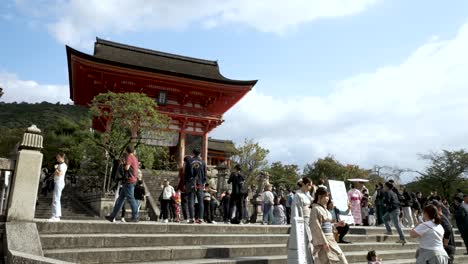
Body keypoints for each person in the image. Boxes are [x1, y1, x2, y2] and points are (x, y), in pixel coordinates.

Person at [311, 187, 348, 264]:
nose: (327, 198)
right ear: (319, 196)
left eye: (328, 196)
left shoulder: (325, 209)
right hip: (324, 239)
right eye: (325, 196)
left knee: (339, 257)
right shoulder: (315, 209)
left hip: (331, 238)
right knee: (327, 260)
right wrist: (324, 242)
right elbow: (316, 227)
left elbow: (328, 224)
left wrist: (337, 224)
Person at [105, 145, 140, 223]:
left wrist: (122, 165)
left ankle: (136, 216)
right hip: (131, 180)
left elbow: (127, 167)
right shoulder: (135, 158)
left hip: (129, 180)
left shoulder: (129, 157)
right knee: (120, 199)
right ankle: (112, 216)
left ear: (127, 151)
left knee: (131, 199)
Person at [287, 177, 314, 264]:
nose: (310, 187)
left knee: (310, 239)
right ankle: (308, 260)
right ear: (304, 184)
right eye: (309, 185)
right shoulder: (298, 194)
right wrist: (297, 222)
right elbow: (295, 209)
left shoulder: (308, 194)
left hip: (310, 218)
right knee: (307, 239)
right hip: (303, 219)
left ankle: (310, 260)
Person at [184, 149, 207, 224]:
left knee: (191, 200)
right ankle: (200, 218)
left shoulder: (189, 161)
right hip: (200, 183)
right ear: (200, 153)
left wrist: (186, 183)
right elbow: (205, 174)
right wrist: (203, 182)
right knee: (201, 201)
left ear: (193, 153)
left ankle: (191, 218)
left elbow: (186, 173)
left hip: (191, 183)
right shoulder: (203, 162)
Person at [48, 153, 67, 222]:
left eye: (58, 157)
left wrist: (56, 168)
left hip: (59, 183)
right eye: (56, 157)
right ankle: (55, 216)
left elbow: (59, 174)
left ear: (62, 157)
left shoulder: (63, 165)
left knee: (56, 199)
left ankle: (56, 216)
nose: (57, 159)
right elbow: (56, 174)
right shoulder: (60, 165)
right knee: (56, 199)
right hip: (57, 182)